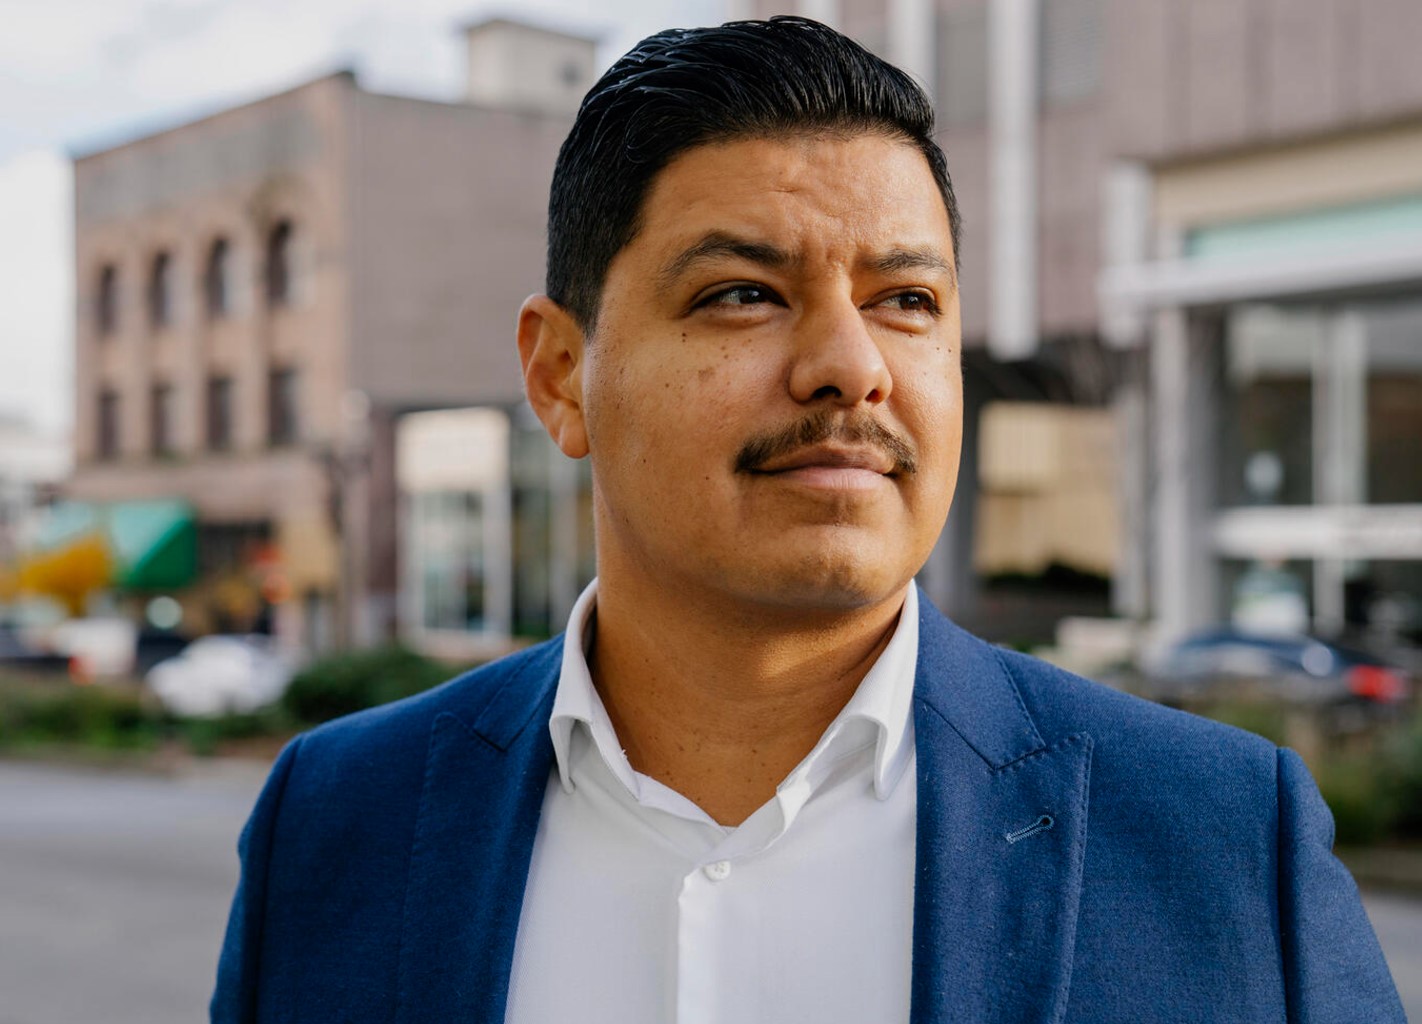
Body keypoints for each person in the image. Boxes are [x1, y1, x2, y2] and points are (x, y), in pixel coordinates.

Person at [211, 17, 1403, 1024]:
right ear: (562, 374)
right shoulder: (341, 823)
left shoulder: (1222, 844)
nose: (851, 366)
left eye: (906, 300)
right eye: (743, 294)